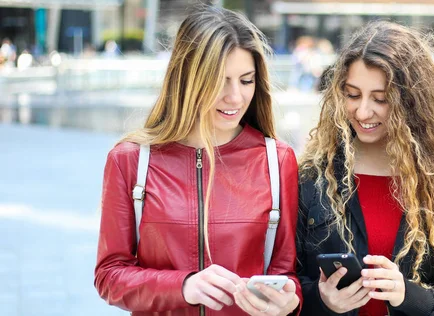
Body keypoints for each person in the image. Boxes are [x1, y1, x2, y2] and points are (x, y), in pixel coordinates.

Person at [94, 6, 301, 316]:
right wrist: (183, 286)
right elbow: (109, 276)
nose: (235, 97)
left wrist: (291, 300)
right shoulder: (130, 161)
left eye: (246, 81)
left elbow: (286, 273)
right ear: (188, 79)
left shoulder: (277, 160)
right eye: (220, 81)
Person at [296, 21, 434, 316]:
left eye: (380, 99)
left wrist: (406, 295)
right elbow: (287, 285)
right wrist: (323, 301)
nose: (362, 111)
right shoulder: (313, 178)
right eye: (353, 95)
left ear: (411, 101)